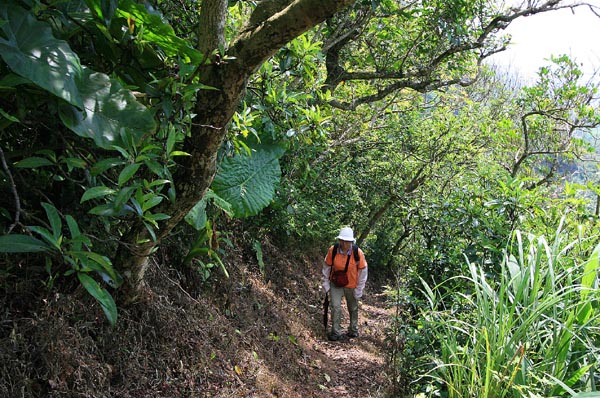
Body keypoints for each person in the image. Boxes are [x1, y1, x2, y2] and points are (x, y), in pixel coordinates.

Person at [322, 227, 368, 341]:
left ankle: (353, 330)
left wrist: (359, 289)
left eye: (346, 241)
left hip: (352, 285)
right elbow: (326, 266)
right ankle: (336, 332)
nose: (343, 243)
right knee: (335, 307)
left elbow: (363, 272)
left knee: (353, 308)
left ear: (351, 242)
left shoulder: (358, 253)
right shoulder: (333, 250)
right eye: (341, 240)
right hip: (335, 283)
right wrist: (325, 283)